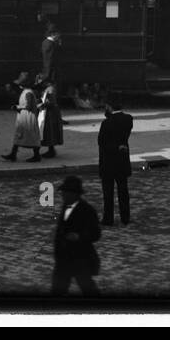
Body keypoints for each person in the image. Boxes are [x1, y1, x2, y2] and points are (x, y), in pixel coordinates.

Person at [51, 176, 102, 297]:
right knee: (58, 289)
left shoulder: (87, 210)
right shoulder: (65, 206)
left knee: (88, 288)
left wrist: (79, 237)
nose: (63, 195)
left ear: (74, 194)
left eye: (66, 193)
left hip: (81, 258)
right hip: (64, 259)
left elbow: (96, 234)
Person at [97, 95, 134, 226]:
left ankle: (108, 218)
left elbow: (101, 142)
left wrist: (115, 147)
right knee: (123, 190)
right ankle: (125, 217)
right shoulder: (128, 119)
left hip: (108, 161)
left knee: (108, 192)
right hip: (122, 159)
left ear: (109, 106)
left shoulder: (106, 123)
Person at [2, 87, 42, 162]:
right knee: (19, 136)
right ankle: (13, 154)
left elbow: (27, 106)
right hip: (24, 117)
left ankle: (37, 155)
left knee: (31, 136)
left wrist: (17, 107)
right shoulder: (26, 92)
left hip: (28, 117)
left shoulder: (28, 93)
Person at [39, 83, 63, 159]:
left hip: (51, 114)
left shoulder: (50, 89)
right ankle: (51, 150)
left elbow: (51, 102)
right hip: (50, 113)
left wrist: (42, 105)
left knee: (50, 131)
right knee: (49, 131)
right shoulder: (48, 89)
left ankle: (51, 151)